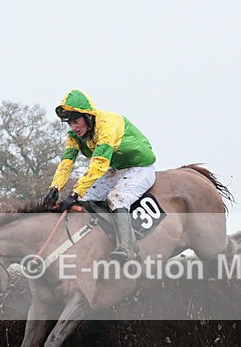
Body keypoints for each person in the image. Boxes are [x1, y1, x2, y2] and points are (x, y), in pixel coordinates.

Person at [43, 89, 156, 261]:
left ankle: (127, 248)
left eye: (76, 121)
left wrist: (74, 193)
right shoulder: (74, 136)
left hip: (140, 168)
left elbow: (99, 163)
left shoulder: (107, 124)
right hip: (115, 170)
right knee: (83, 200)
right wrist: (55, 188)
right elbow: (67, 162)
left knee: (116, 199)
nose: (73, 127)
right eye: (70, 123)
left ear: (88, 116)